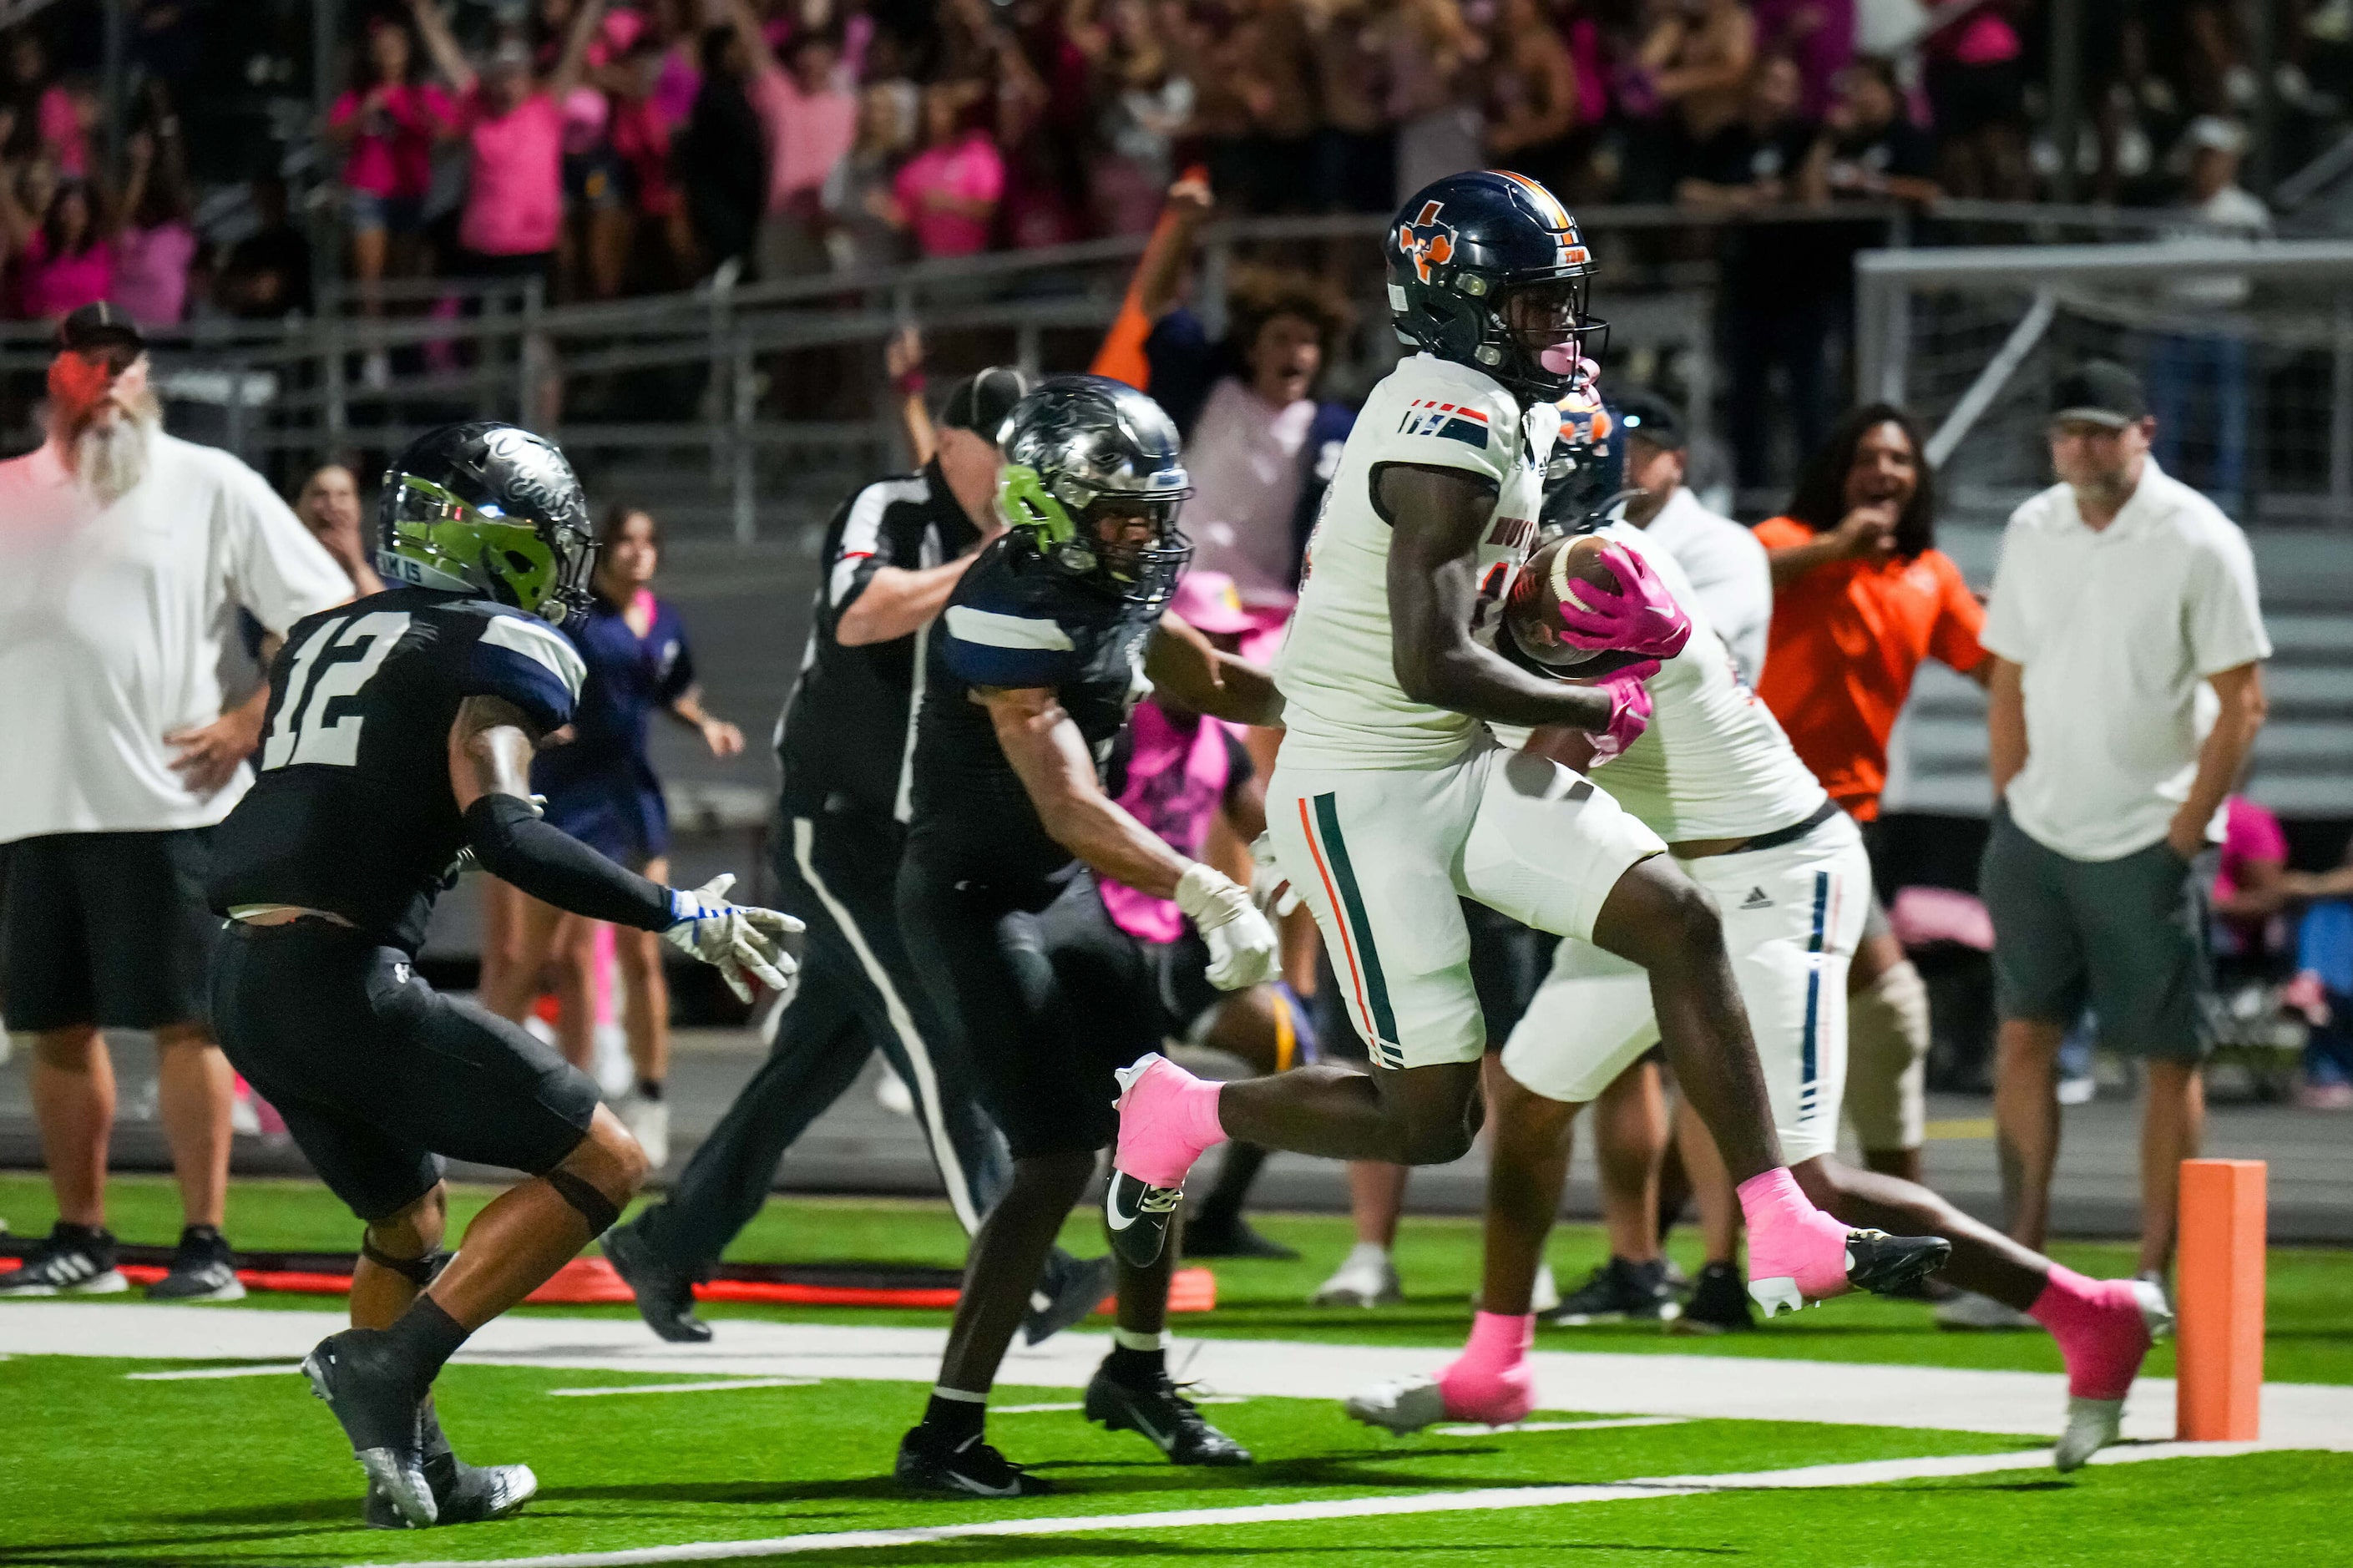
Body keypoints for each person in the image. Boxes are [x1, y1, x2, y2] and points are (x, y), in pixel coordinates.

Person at [1103, 172, 1945, 1322]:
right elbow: (1429, 658)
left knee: (1679, 919)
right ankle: (1179, 1108)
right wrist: (1594, 698)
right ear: (1457, 304)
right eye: (1532, 300)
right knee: (1428, 1120)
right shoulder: (1442, 423)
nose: (1558, 321)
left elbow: (1461, 642)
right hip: (1367, 789)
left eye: (1562, 297)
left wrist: (1562, 620)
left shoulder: (1508, 404)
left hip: (1450, 755)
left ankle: (1783, 1218)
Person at [1342, 509, 2168, 1474]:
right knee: (1528, 1104)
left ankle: (2091, 1313)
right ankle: (1494, 1368)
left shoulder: (1626, 660)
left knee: (1801, 1183)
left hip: (1773, 884)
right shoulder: (1592, 572)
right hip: (1662, 888)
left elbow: (1520, 790)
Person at [205, 420, 797, 1528]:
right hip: (341, 975)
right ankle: (389, 1366)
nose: (558, 563)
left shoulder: (326, 632)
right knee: (605, 1159)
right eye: (541, 539)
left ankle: (412, 1469)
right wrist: (678, 910)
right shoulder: (495, 645)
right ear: (487, 541)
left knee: (406, 1218)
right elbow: (510, 831)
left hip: (242, 974)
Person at [602, 370, 1110, 1350]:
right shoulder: (893, 507)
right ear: (950, 445)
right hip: (833, 828)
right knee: (940, 1036)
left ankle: (669, 1245)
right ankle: (1035, 1274)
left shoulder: (1025, 539)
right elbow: (857, 613)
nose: (1013, 470)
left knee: (811, 1062)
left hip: (916, 836)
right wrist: (984, 563)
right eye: (998, 448)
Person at [892, 376, 1279, 1497]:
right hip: (973, 894)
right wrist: (1209, 888)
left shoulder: (1109, 580)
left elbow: (1205, 676)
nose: (1146, 533)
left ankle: (1138, 1373)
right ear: (1047, 508)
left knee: (1157, 1130)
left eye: (1152, 509)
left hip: (1060, 888)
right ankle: (946, 1431)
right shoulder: (1002, 605)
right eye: (1119, 513)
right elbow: (1064, 801)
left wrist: (1358, 695)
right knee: (1057, 1157)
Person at [0, 305, 349, 1302]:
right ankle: (83, 1235)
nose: (106, 383)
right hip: (30, 803)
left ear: (146, 377)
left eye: (123, 365)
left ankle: (205, 1242)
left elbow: (325, 617)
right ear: (57, 378)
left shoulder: (210, 484)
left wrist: (250, 720)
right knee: (51, 1026)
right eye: (86, 365)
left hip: (167, 800)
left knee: (187, 1024)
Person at [1977, 360, 2271, 1303]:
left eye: (2102, 430)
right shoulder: (2033, 525)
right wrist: (2008, 792)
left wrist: (2186, 831)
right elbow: (2008, 672)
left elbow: (2244, 703)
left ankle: (2154, 1274)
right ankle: (2022, 1264)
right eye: (2068, 431)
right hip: (2035, 829)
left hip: (2151, 834)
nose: (2081, 447)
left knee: (2165, 1056)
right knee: (2023, 1037)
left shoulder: (2199, 538)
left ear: (2144, 431)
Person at [1532, 384, 1775, 1329]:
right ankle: (1633, 1262)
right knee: (1575, 1073)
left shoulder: (1689, 554)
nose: (1621, 462)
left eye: (1637, 446)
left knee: (1710, 1063)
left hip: (1707, 832)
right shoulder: (1567, 548)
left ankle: (1725, 1261)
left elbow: (1618, 669)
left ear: (1675, 457)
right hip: (1617, 829)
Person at [1750, 405, 1984, 1271]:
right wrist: (1832, 549)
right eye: (1865, 457)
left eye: (1898, 459)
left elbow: (1994, 664)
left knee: (1862, 1024)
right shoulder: (1787, 539)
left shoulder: (1929, 575)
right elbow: (1734, 582)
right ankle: (1898, 1248)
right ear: (1837, 471)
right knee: (1866, 1016)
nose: (1883, 471)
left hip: (1847, 827)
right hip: (1754, 819)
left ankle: (1894, 1248)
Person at [479, 505, 745, 1169]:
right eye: (624, 540)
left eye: (647, 540)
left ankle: (650, 1100)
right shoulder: (572, 617)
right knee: (533, 956)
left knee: (644, 952)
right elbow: (523, 682)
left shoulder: (664, 621)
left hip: (632, 799)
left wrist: (704, 722)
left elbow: (671, 692)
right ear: (602, 552)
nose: (635, 552)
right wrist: (540, 721)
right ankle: (473, 1083)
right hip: (568, 795)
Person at [408, 0, 608, 289]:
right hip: (482, 245)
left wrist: (592, 7)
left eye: (514, 77)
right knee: (485, 329)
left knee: (530, 327)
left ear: (529, 79)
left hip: (535, 246)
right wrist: (422, 11)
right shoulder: (477, 107)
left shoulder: (546, 107)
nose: (506, 86)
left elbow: (574, 51)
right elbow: (448, 58)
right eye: (499, 77)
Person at [327, 15, 452, 379]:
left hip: (410, 193)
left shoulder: (422, 95)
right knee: (371, 281)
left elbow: (447, 133)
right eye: (381, 48)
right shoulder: (359, 96)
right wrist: (365, 111)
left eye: (395, 47)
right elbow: (333, 136)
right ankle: (374, 354)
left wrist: (416, 114)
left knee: (405, 277)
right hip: (368, 192)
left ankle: (404, 353)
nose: (388, 55)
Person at [295, 463, 389, 596]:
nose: (332, 504)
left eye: (343, 495)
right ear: (300, 507)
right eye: (320, 494)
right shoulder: (285, 561)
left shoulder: (385, 566)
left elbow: (389, 613)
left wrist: (357, 566)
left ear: (358, 508)